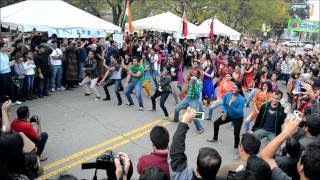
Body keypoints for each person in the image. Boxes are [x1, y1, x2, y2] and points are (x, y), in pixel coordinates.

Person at [170, 107, 224, 180]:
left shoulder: (183, 177)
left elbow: (176, 153)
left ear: (196, 167)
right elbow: (176, 153)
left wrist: (185, 120)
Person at [207, 81, 245, 160]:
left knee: (236, 133)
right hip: (228, 114)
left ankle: (236, 148)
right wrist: (225, 112)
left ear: (239, 89)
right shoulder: (228, 95)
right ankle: (215, 138)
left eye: (236, 88)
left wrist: (231, 106)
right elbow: (224, 104)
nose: (234, 89)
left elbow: (239, 111)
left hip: (238, 117)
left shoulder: (241, 99)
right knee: (216, 123)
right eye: (233, 87)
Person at [172, 69, 204, 134]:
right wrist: (182, 93)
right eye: (193, 73)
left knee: (193, 115)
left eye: (195, 74)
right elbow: (188, 89)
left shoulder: (200, 83)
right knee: (177, 108)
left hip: (194, 100)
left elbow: (198, 92)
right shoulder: (191, 80)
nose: (193, 75)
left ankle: (200, 128)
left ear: (198, 75)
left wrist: (195, 83)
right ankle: (176, 119)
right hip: (187, 98)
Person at [0, 41, 22, 105]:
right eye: (5, 46)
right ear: (1, 48)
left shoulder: (5, 54)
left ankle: (13, 100)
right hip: (2, 74)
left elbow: (6, 64)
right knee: (3, 89)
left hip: (9, 73)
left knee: (11, 87)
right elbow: (1, 68)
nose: (7, 47)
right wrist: (9, 65)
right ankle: (4, 103)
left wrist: (10, 63)